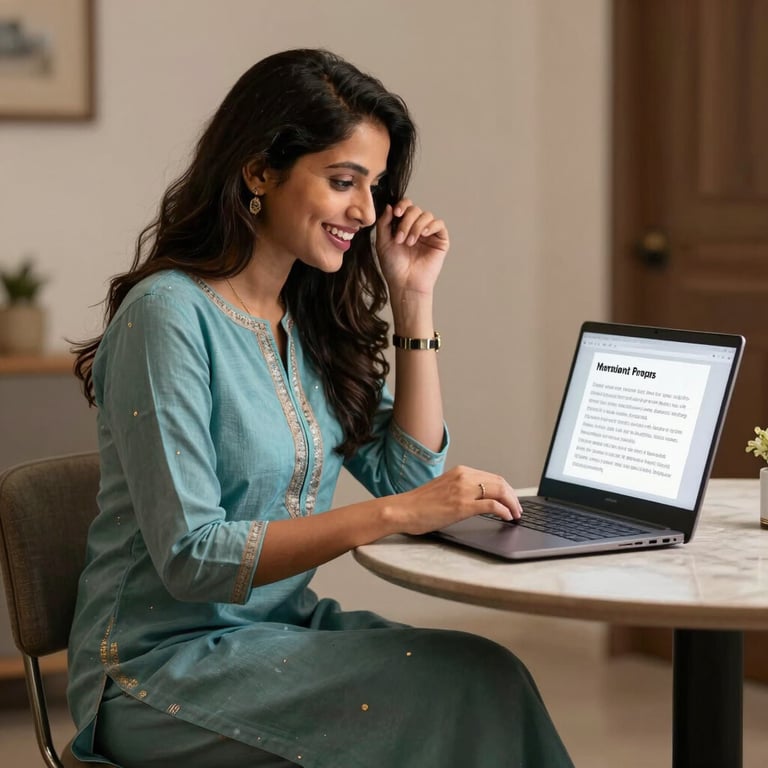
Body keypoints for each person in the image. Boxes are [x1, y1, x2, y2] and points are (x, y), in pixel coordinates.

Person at [68, 48, 574, 768]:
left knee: (490, 676)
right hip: (155, 670)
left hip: (280, 632)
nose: (366, 212)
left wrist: (413, 298)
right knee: (449, 699)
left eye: (373, 187)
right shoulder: (167, 317)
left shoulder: (306, 321)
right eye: (343, 182)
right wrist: (397, 516)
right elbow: (192, 557)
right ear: (259, 171)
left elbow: (404, 473)